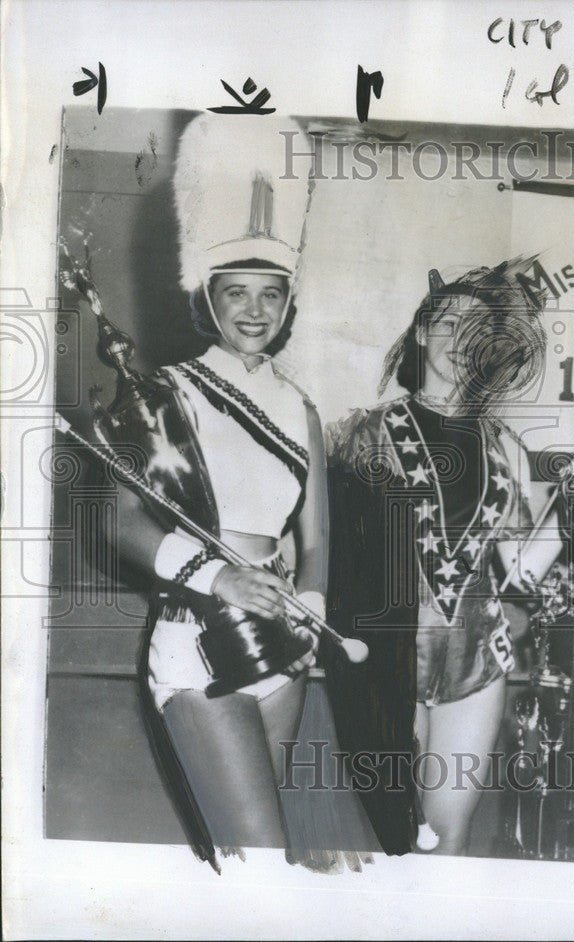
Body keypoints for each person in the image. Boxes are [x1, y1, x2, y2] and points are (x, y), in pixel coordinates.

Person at [112, 114, 334, 867]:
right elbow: (120, 525)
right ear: (206, 297)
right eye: (235, 292)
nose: (253, 311)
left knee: (247, 867)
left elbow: (317, 535)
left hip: (280, 643)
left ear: (287, 302)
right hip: (197, 635)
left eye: (270, 294)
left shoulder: (300, 405)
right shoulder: (165, 393)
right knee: (262, 869)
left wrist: (313, 607)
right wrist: (218, 575)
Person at [324, 259, 574, 856]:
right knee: (392, 836)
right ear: (421, 330)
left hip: (477, 664)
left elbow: (519, 572)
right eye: (448, 322)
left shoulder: (504, 446)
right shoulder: (361, 434)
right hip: (388, 655)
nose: (460, 339)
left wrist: (571, 513)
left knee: (447, 836)